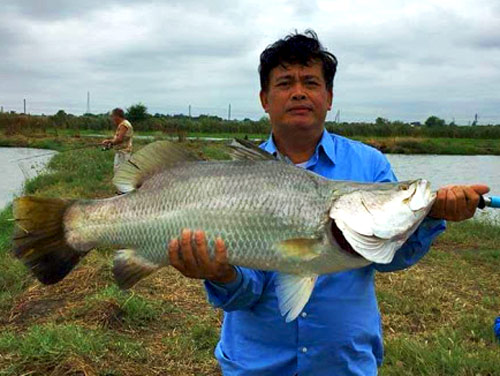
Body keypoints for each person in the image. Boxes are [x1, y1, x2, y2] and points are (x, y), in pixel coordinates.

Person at [167, 31, 490, 376]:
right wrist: (221, 274)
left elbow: (388, 258)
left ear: (329, 96)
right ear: (264, 98)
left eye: (311, 82)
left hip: (343, 364)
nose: (299, 92)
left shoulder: (370, 165)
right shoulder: (240, 178)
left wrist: (429, 215)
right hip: (255, 365)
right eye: (285, 83)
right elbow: (246, 294)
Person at [102, 108, 134, 174]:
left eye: (112, 116)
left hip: (123, 153)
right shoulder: (125, 124)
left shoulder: (123, 125)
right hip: (124, 152)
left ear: (117, 116)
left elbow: (119, 139)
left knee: (120, 174)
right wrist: (111, 143)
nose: (112, 119)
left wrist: (109, 142)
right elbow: (120, 139)